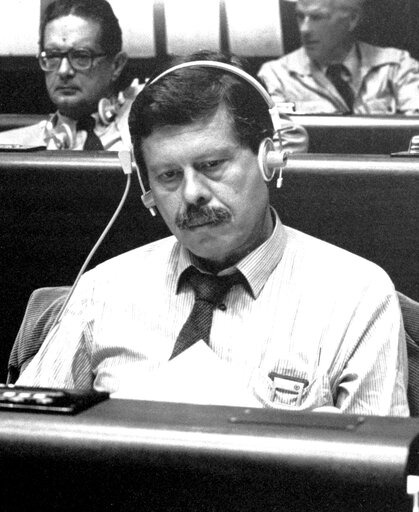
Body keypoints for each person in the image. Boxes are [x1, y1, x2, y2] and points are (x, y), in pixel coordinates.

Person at [16, 54, 408, 416]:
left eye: (212, 165)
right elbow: (27, 437)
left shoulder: (358, 296)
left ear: (269, 158)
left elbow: (376, 481)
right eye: (168, 175)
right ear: (145, 185)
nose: (191, 193)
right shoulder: (101, 291)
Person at [0, 0, 137, 150]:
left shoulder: (142, 141)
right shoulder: (10, 149)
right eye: (52, 56)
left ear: (116, 65)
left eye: (81, 56)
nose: (63, 71)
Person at [258, 0, 419, 115]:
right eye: (300, 17)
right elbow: (279, 143)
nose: (304, 29)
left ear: (352, 19)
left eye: (317, 17)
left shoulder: (396, 67)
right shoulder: (276, 75)